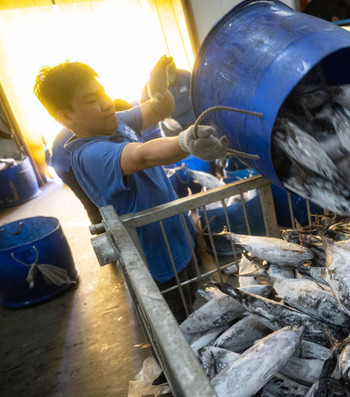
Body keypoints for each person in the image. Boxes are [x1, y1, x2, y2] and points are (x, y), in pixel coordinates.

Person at [33, 56, 228, 322]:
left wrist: (157, 88)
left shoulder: (116, 121)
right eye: (91, 100)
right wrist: (185, 141)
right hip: (155, 265)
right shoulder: (89, 154)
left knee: (199, 308)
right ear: (66, 116)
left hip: (177, 240)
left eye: (102, 93)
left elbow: (159, 108)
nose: (105, 103)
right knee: (177, 329)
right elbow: (143, 155)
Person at [49, 99, 132, 225]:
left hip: (64, 158)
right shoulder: (97, 124)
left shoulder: (101, 120)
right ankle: (104, 234)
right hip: (66, 164)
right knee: (93, 202)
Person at [140, 64, 196, 136]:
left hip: (189, 118)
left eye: (173, 75)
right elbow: (144, 105)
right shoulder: (152, 84)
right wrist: (164, 119)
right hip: (168, 123)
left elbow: (199, 92)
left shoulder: (186, 75)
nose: (170, 81)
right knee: (174, 145)